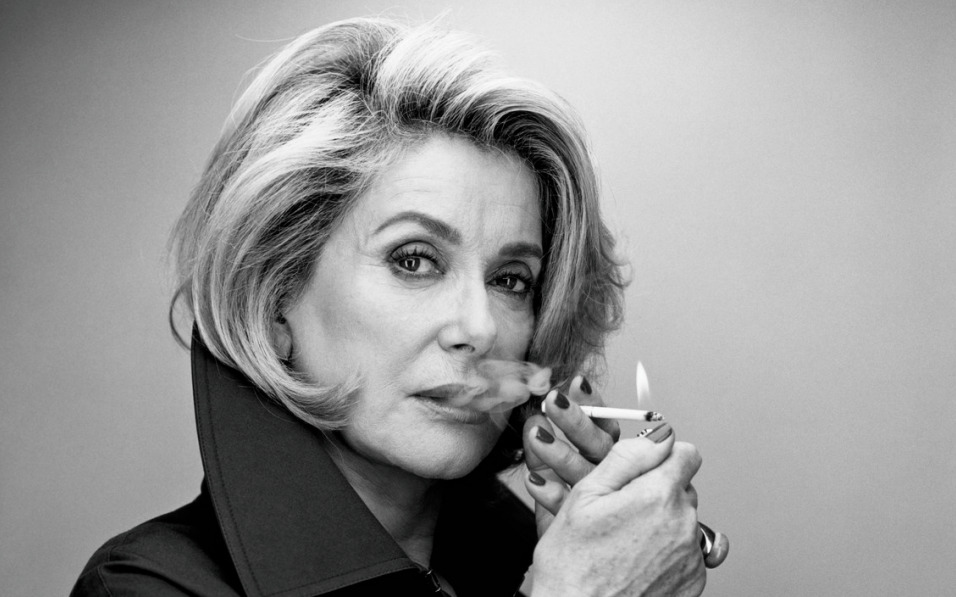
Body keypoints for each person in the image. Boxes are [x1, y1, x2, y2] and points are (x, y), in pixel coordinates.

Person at [71, 17, 727, 597]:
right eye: (414, 260)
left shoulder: (534, 550)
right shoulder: (147, 586)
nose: (479, 328)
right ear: (275, 300)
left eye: (511, 279)